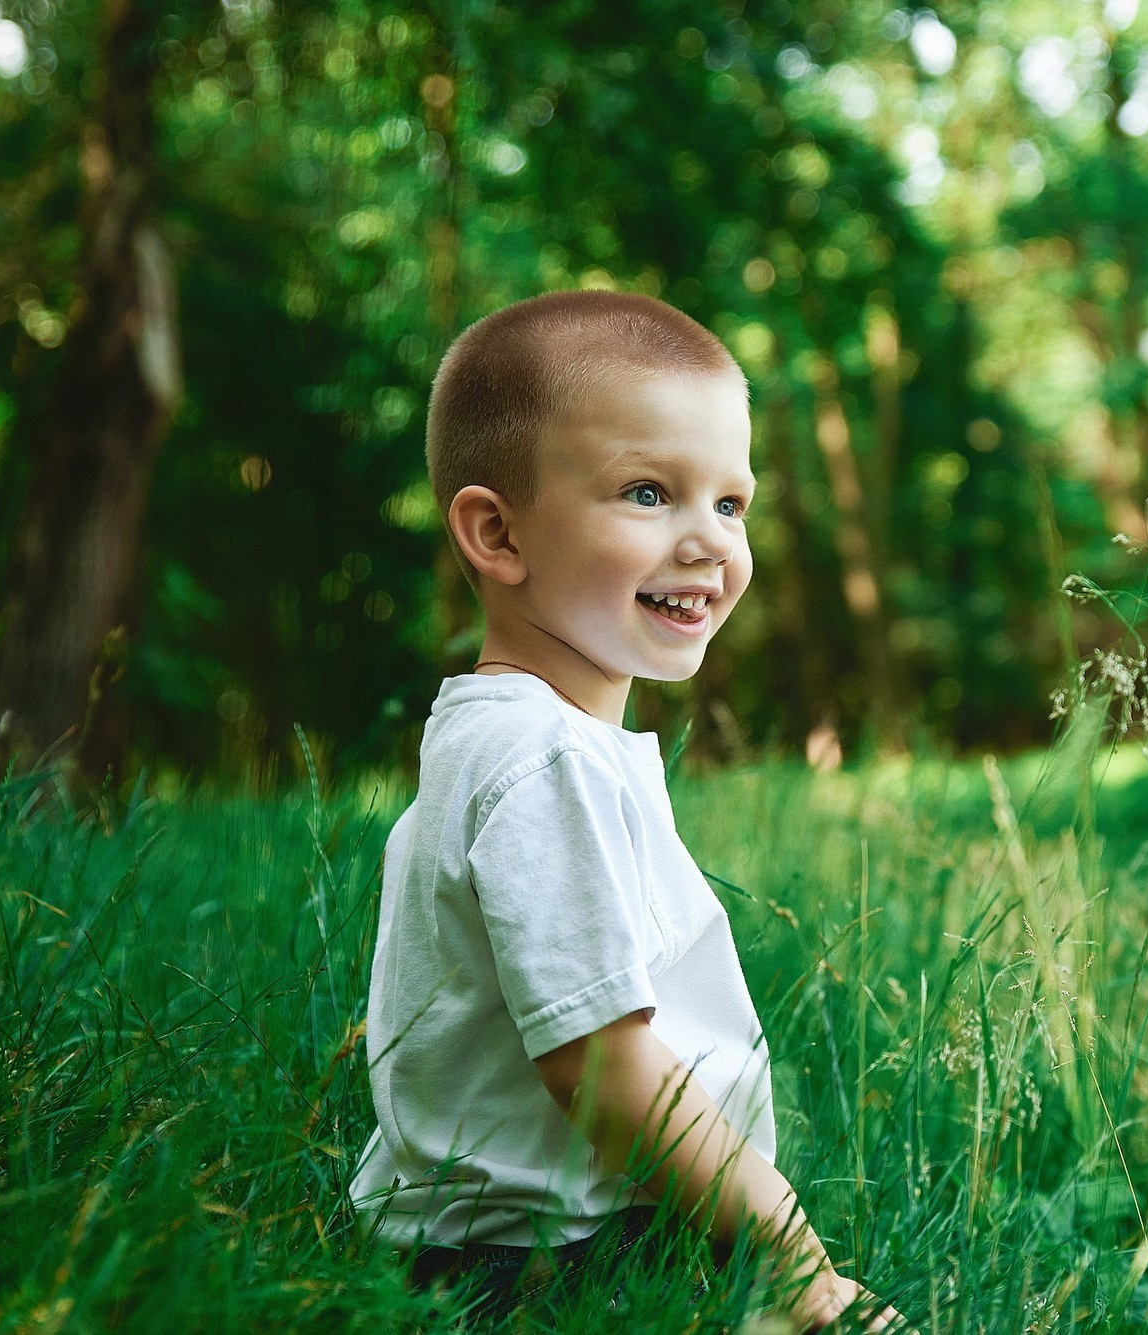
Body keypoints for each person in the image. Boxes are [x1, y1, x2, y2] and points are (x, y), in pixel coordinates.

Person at [349, 290, 900, 1332]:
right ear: (497, 533)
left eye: (730, 504)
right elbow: (602, 1069)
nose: (708, 542)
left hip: (516, 1242)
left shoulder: (505, 738)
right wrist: (791, 1251)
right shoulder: (544, 759)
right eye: (649, 493)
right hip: (543, 1262)